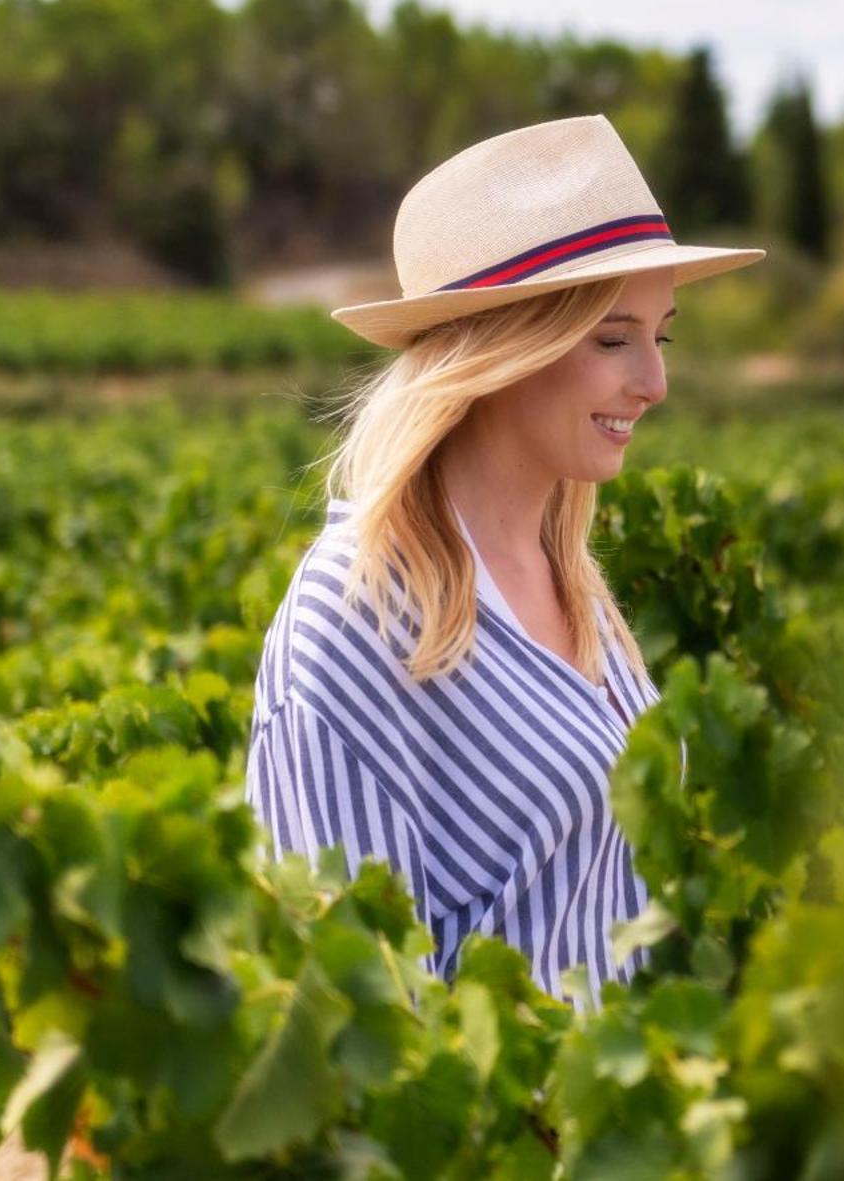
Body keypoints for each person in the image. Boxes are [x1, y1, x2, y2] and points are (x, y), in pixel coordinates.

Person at [244, 115, 764, 1012]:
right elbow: (347, 1001)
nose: (655, 381)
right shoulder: (357, 614)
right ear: (501, 350)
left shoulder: (568, 575)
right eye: (614, 338)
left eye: (661, 336)